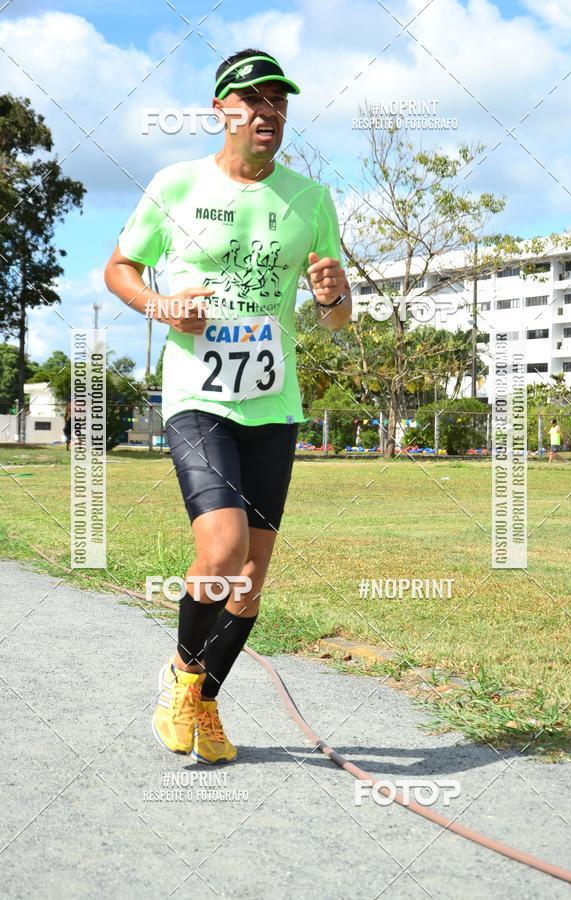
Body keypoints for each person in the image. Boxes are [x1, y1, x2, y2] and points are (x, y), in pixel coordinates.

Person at [104, 49, 351, 764]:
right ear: (222, 109)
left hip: (273, 406)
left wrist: (334, 296)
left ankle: (204, 701)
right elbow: (119, 267)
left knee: (248, 583)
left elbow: (335, 317)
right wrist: (158, 303)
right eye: (252, 98)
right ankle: (182, 677)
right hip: (197, 397)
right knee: (222, 550)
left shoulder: (311, 199)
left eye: (278, 100)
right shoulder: (175, 186)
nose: (268, 111)